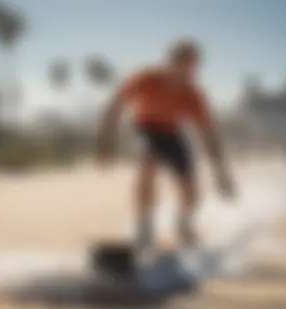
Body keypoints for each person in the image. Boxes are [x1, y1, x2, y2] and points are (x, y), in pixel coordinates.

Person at [96, 39, 235, 253]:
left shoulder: (194, 96)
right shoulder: (146, 78)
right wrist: (106, 145)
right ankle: (145, 229)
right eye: (181, 64)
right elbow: (114, 107)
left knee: (191, 191)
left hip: (172, 133)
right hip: (145, 127)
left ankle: (184, 225)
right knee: (147, 163)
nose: (186, 72)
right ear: (169, 62)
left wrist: (221, 173)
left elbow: (209, 137)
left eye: (191, 67)